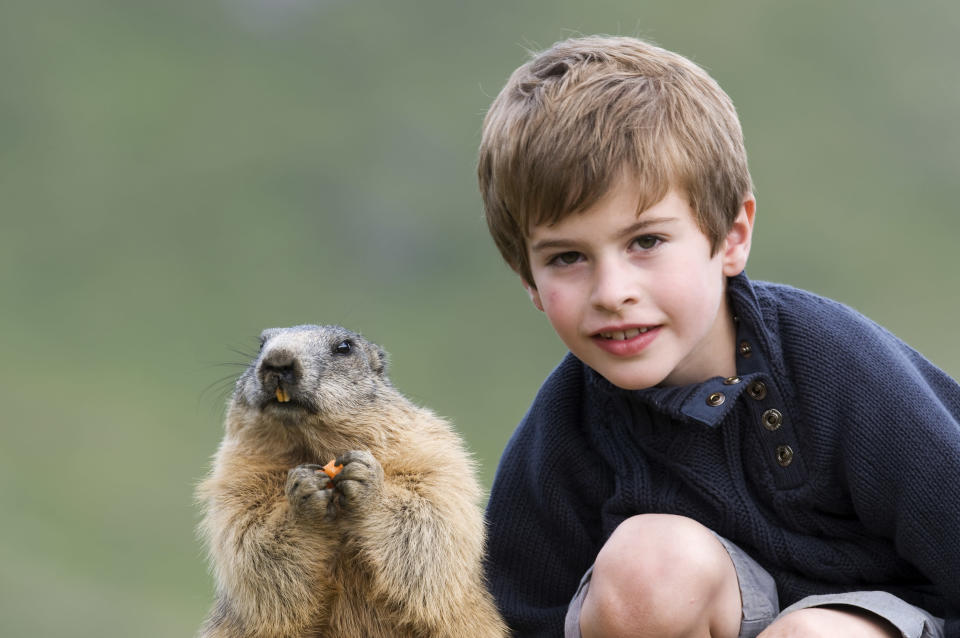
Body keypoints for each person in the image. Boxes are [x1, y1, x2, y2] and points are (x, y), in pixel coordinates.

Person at [477, 35, 960, 638]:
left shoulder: (836, 366)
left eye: (646, 242)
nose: (611, 290)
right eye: (568, 257)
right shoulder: (563, 435)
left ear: (731, 238)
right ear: (527, 277)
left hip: (885, 620)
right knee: (649, 570)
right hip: (693, 597)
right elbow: (509, 620)